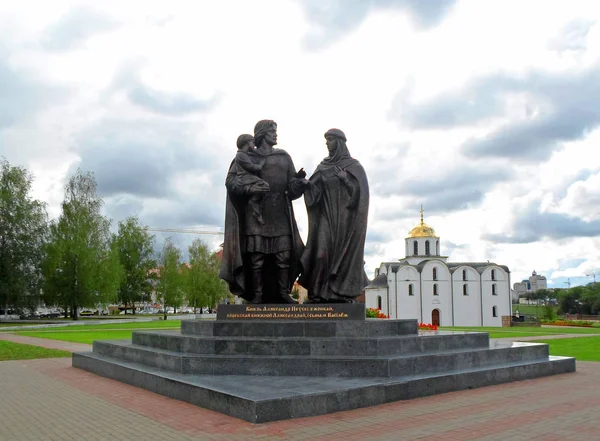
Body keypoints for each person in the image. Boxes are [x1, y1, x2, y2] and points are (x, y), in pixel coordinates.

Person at [220, 120, 307, 304]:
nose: (276, 134)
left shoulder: (284, 157)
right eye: (272, 131)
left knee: (283, 256)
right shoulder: (246, 157)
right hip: (256, 213)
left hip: (279, 213)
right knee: (257, 258)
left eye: (276, 131)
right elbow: (231, 182)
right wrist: (250, 190)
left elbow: (291, 189)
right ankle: (257, 294)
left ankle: (284, 292)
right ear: (262, 133)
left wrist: (299, 183)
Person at [299, 128, 370, 303]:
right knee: (320, 254)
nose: (327, 144)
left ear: (339, 142)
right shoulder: (323, 166)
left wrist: (345, 179)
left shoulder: (354, 167)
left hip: (345, 219)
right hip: (326, 216)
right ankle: (317, 294)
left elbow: (360, 196)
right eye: (326, 140)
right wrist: (305, 183)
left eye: (330, 140)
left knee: (343, 256)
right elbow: (314, 193)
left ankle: (340, 294)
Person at [234, 134, 268, 225]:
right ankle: (254, 202)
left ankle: (257, 209)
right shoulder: (241, 155)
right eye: (253, 142)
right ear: (247, 143)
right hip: (246, 178)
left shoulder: (245, 155)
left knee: (264, 188)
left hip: (249, 177)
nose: (254, 145)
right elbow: (252, 167)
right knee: (264, 185)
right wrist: (261, 164)